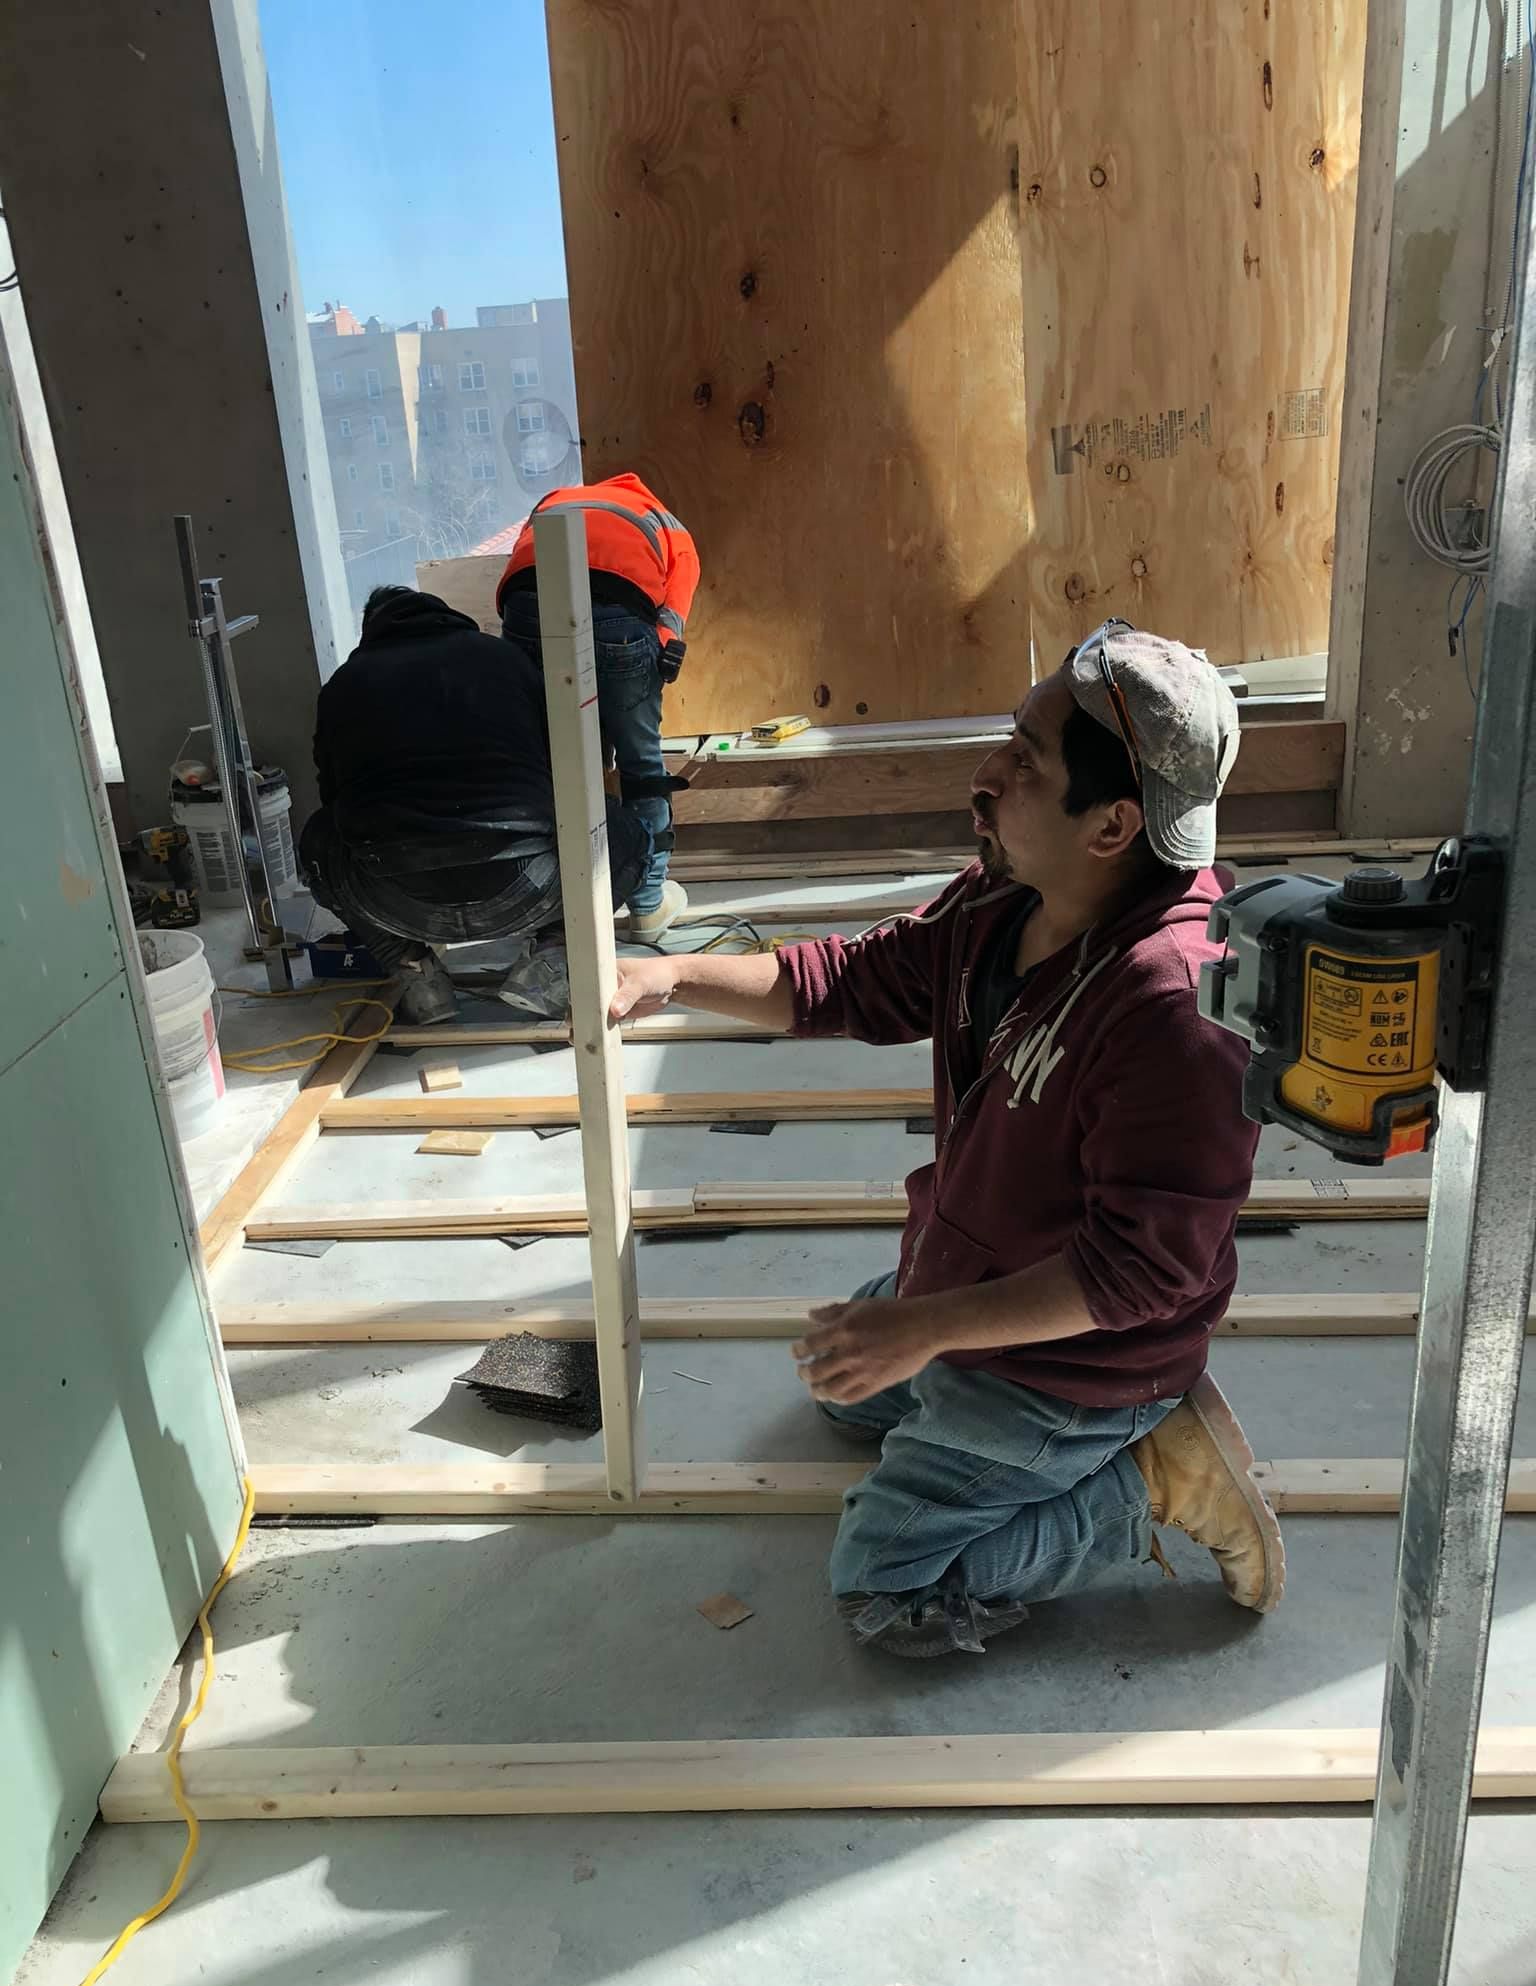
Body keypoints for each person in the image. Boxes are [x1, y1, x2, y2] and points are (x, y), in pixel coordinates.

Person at [608, 621, 1284, 1658]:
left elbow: (1138, 1272)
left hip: (1084, 1362)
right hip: (981, 1272)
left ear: (1111, 825)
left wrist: (928, 1329)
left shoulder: (1175, 1009)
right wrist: (670, 976)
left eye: (1026, 758)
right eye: (1009, 736)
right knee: (843, 1399)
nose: (989, 773)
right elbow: (854, 979)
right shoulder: (1013, 894)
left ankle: (1148, 1476)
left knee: (883, 1587)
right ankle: (950, 1345)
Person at [300, 585, 650, 1026]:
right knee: (627, 832)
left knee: (316, 840)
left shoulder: (343, 685)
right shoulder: (501, 659)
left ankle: (415, 975)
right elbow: (565, 767)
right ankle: (554, 959)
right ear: (447, 616)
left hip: (395, 896)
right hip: (529, 885)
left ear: (373, 631)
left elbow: (332, 796)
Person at [497, 472, 700, 940]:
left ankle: (552, 915)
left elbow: (520, 576)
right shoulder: (667, 523)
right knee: (641, 765)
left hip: (529, 607)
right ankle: (648, 907)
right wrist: (659, 653)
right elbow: (672, 609)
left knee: (548, 765)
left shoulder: (555, 501)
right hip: (622, 614)